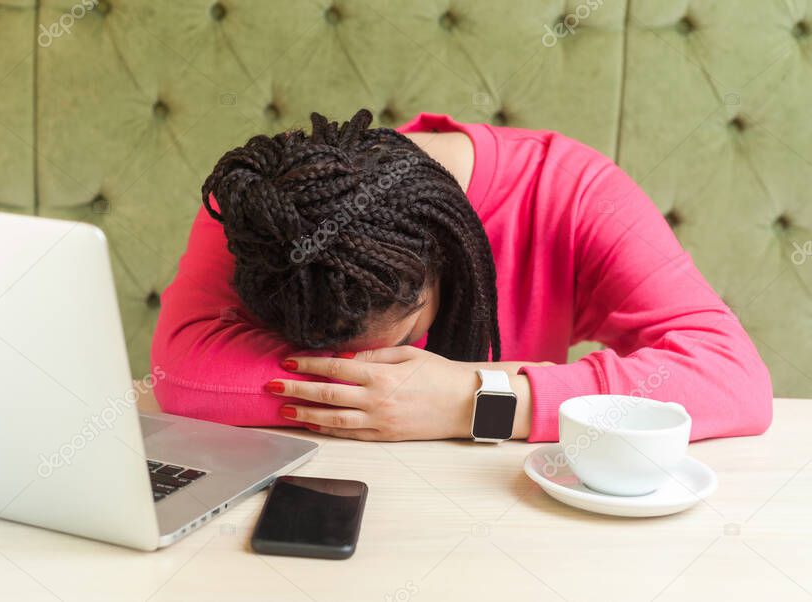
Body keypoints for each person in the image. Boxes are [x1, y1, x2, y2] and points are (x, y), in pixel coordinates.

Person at [150, 109, 772, 442]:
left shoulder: (577, 194)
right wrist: (381, 403)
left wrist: (474, 403)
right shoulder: (266, 209)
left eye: (394, 346)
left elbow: (734, 379)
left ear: (451, 256)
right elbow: (180, 373)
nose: (377, 372)